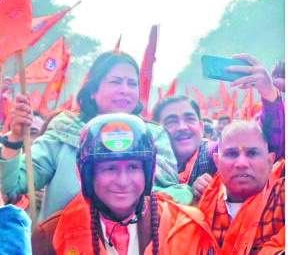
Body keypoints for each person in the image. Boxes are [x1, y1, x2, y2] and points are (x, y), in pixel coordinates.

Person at [0, 50, 193, 222]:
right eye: (115, 82)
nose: (125, 90)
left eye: (132, 84)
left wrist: (126, 195)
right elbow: (12, 186)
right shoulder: (64, 130)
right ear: (92, 91)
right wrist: (16, 137)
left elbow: (176, 196)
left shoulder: (153, 136)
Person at [32, 113, 220, 255]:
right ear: (87, 175)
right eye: (110, 169)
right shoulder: (52, 235)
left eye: (132, 167)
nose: (123, 182)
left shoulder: (187, 226)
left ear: (149, 172)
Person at [152, 53, 284, 203]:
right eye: (171, 121)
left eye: (189, 119)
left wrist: (269, 94)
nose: (182, 127)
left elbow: (269, 145)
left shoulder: (214, 154)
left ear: (201, 127)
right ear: (157, 131)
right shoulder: (144, 165)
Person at [198, 120, 285, 255]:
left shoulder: (282, 195)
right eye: (232, 154)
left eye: (252, 153)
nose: (241, 163)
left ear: (270, 161)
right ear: (217, 162)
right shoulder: (201, 204)